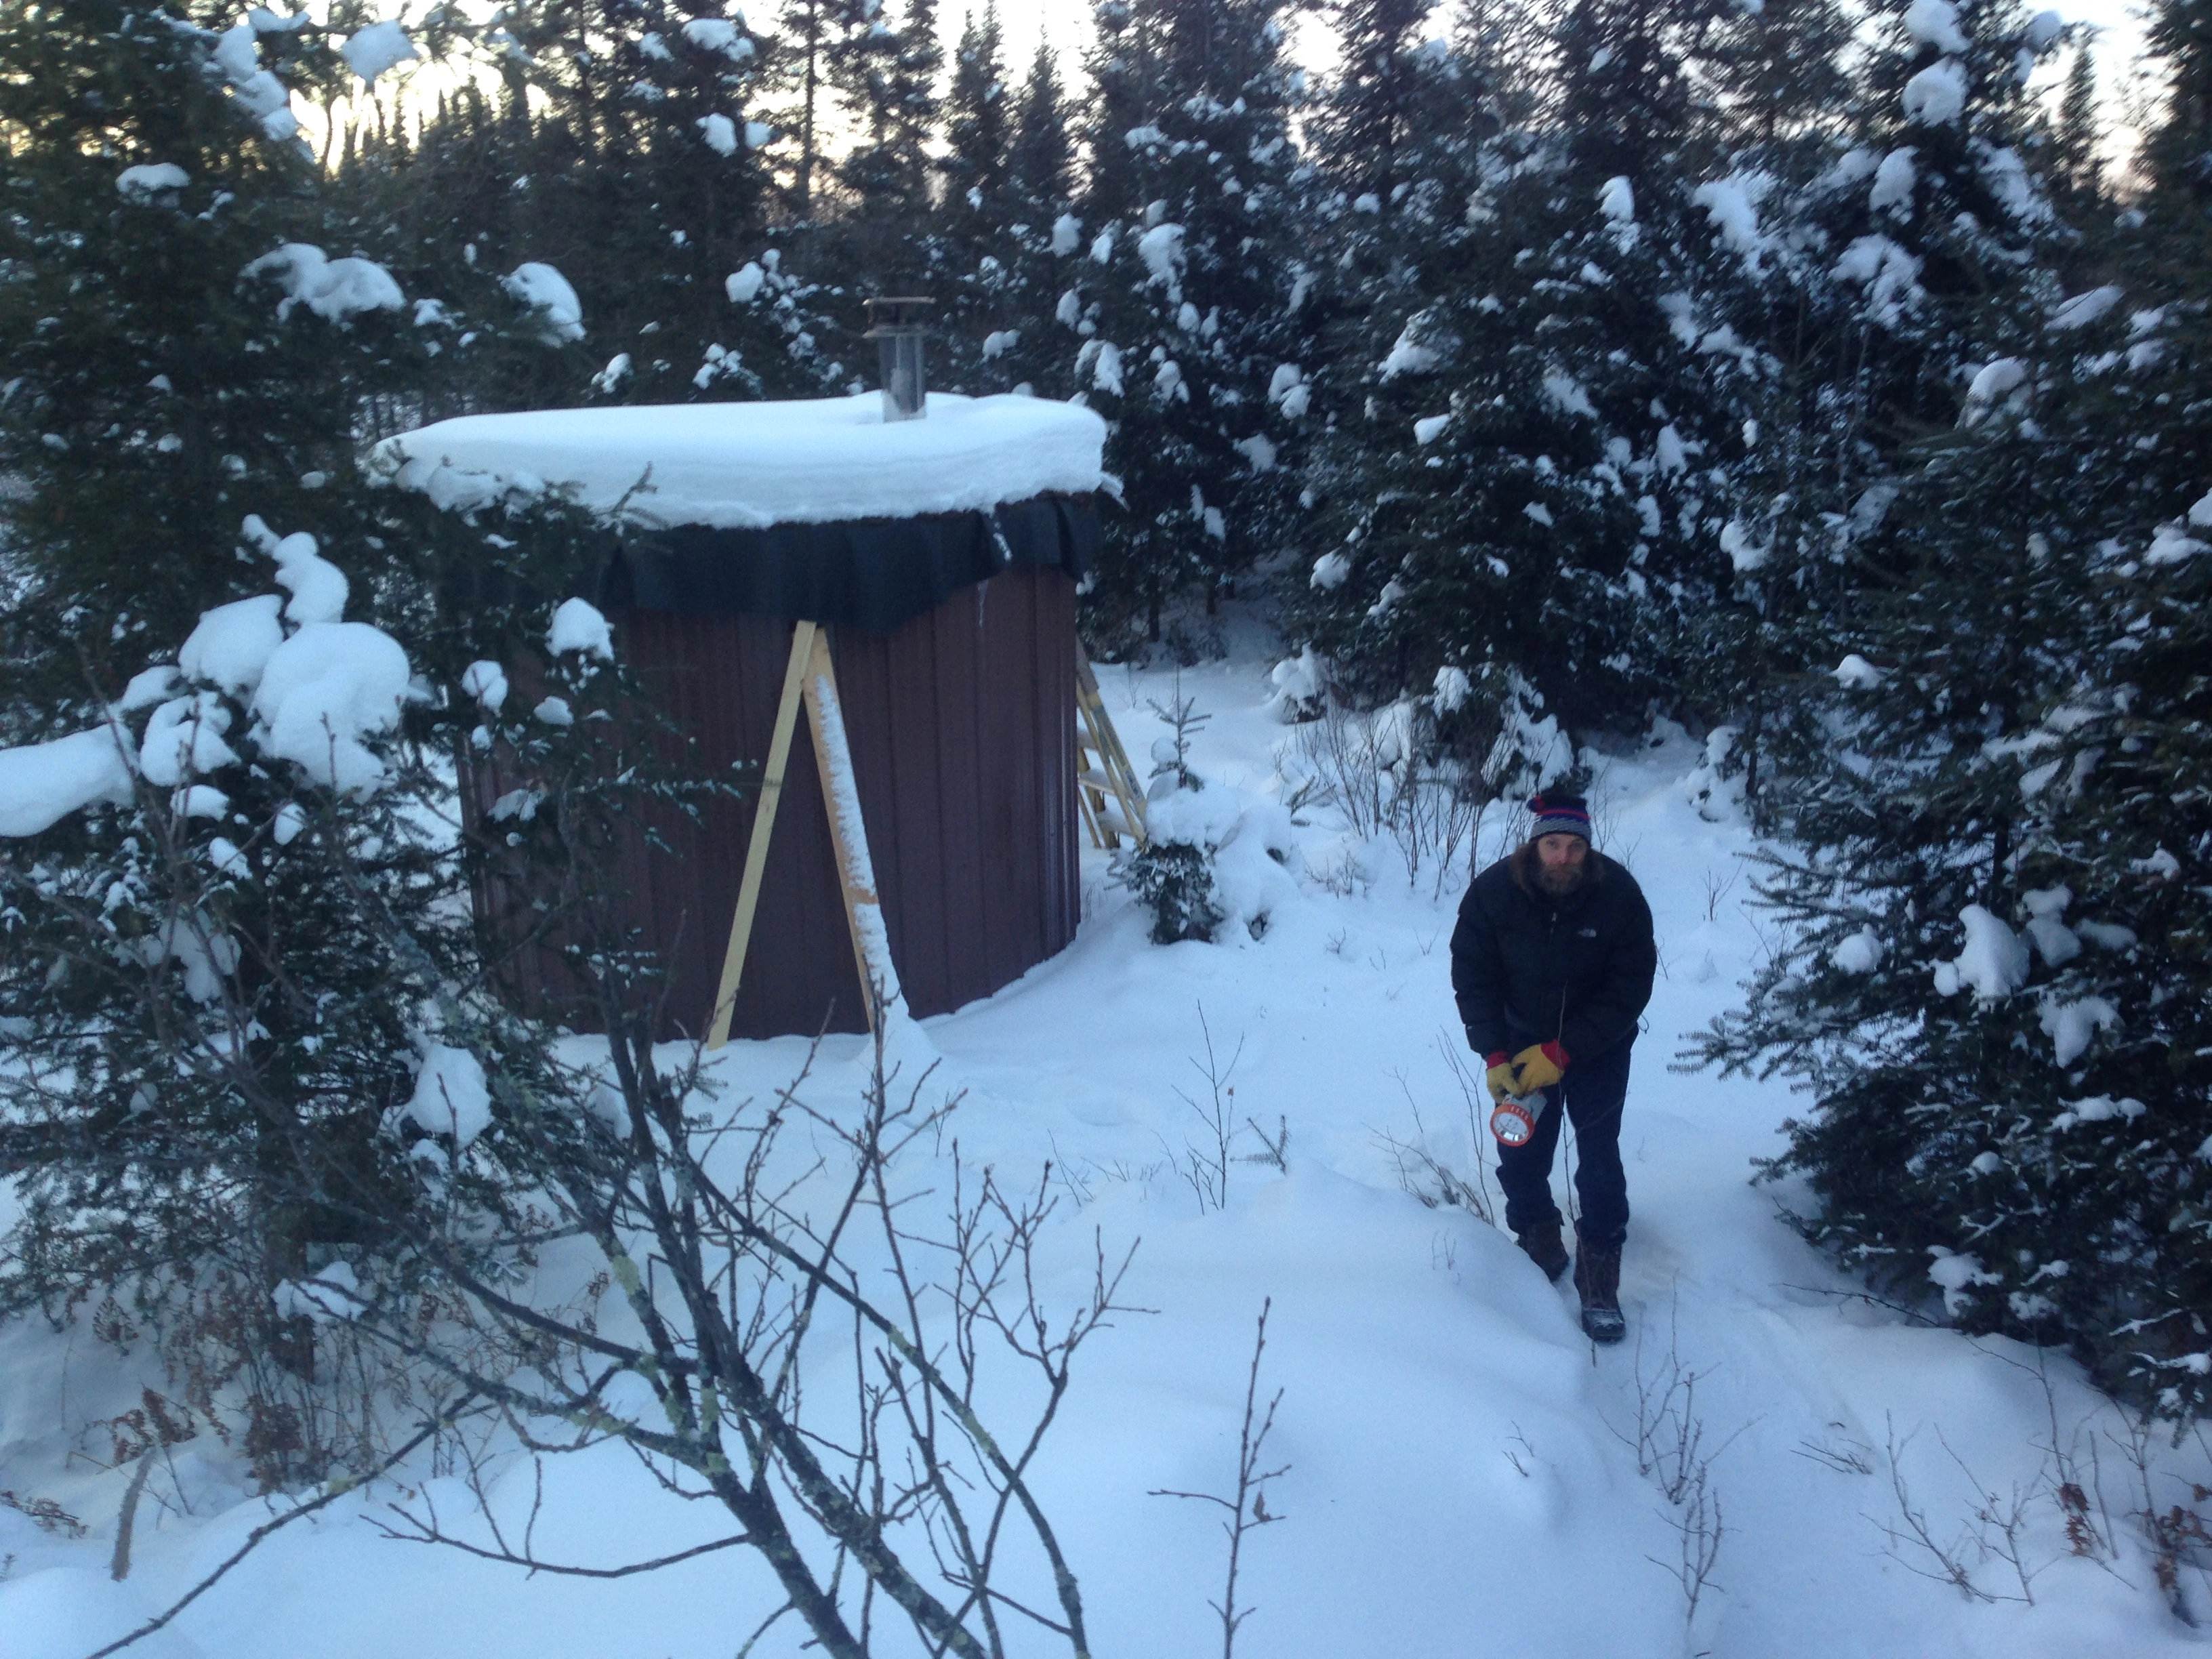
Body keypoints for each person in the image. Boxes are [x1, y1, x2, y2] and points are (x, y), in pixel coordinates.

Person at [1450, 792, 1656, 1343]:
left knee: (1598, 1160)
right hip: (1518, 1048)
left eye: (1574, 846)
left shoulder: (1619, 897)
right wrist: (1494, 1052)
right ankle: (1539, 1238)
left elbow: (1629, 988)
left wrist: (1566, 1052)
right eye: (1553, 844)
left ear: (1588, 849)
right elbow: (1473, 976)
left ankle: (1599, 1276)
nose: (1563, 857)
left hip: (1598, 1051)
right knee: (1520, 1152)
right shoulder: (1494, 893)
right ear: (1534, 843)